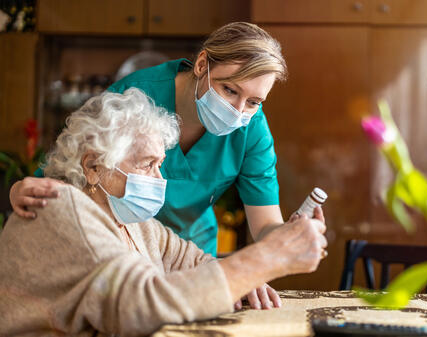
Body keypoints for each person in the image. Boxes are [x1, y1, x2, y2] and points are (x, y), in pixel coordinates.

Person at [0, 89, 328, 336]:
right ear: (93, 166)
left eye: (160, 164)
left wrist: (245, 279)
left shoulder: (136, 223)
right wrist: (266, 259)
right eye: (146, 164)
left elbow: (195, 262)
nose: (159, 179)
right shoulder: (63, 209)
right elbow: (141, 306)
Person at [8, 22, 323, 259]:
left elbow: (265, 224)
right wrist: (21, 189)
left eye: (254, 101)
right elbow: (67, 173)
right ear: (202, 65)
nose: (237, 111)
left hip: (191, 252)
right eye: (230, 90)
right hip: (121, 246)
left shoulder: (252, 130)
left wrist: (289, 234)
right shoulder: (135, 97)